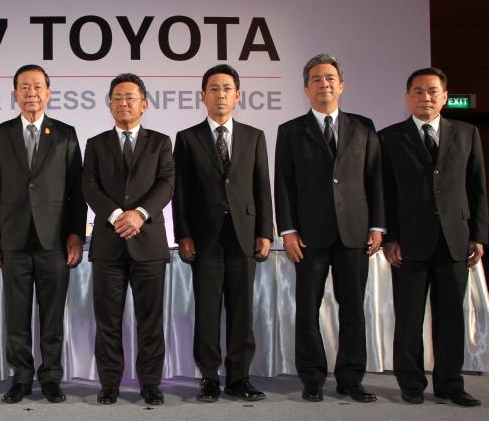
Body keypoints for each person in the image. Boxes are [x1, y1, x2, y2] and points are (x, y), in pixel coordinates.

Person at [274, 54, 384, 403]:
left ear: (341, 85)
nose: (324, 84)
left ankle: (351, 378)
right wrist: (288, 230)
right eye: (317, 79)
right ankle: (312, 378)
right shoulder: (290, 130)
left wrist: (377, 225)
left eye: (330, 78)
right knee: (307, 310)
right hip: (309, 235)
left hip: (355, 232)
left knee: (353, 309)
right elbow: (284, 184)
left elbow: (375, 178)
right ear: (306, 89)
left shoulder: (364, 126)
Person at [380, 68, 487, 407]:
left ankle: (450, 384)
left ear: (444, 96)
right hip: (408, 242)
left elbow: (477, 188)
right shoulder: (389, 137)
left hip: (455, 238)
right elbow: (385, 193)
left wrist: (478, 235)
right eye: (417, 91)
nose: (425, 97)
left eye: (432, 91)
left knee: (451, 316)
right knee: (409, 318)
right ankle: (411, 383)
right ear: (407, 97)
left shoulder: (467, 133)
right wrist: (389, 238)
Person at [0, 64, 86, 404]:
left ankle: (52, 376)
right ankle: (22, 377)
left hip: (54, 241)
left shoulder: (66, 134)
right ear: (15, 94)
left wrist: (75, 234)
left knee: (52, 315)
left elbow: (76, 191)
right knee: (16, 315)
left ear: (48, 92)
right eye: (24, 87)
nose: (31, 93)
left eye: (37, 86)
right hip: (12, 239)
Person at [172, 64, 273, 402]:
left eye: (226, 88)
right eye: (213, 89)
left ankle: (239, 378)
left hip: (244, 235)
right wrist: (184, 233)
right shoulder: (187, 138)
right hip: (205, 238)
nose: (220, 94)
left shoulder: (254, 136)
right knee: (207, 312)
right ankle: (209, 378)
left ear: (237, 95)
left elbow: (262, 188)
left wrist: (265, 231)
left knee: (242, 312)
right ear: (203, 96)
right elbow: (181, 192)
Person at [83, 73, 174, 405]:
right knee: (107, 321)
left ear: (144, 104)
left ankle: (150, 383)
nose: (123, 103)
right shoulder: (95, 144)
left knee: (150, 321)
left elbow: (166, 183)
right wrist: (115, 216)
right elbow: (90, 187)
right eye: (117, 98)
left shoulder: (160, 142)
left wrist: (139, 214)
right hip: (108, 244)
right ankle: (109, 383)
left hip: (148, 244)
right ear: (110, 105)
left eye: (130, 97)